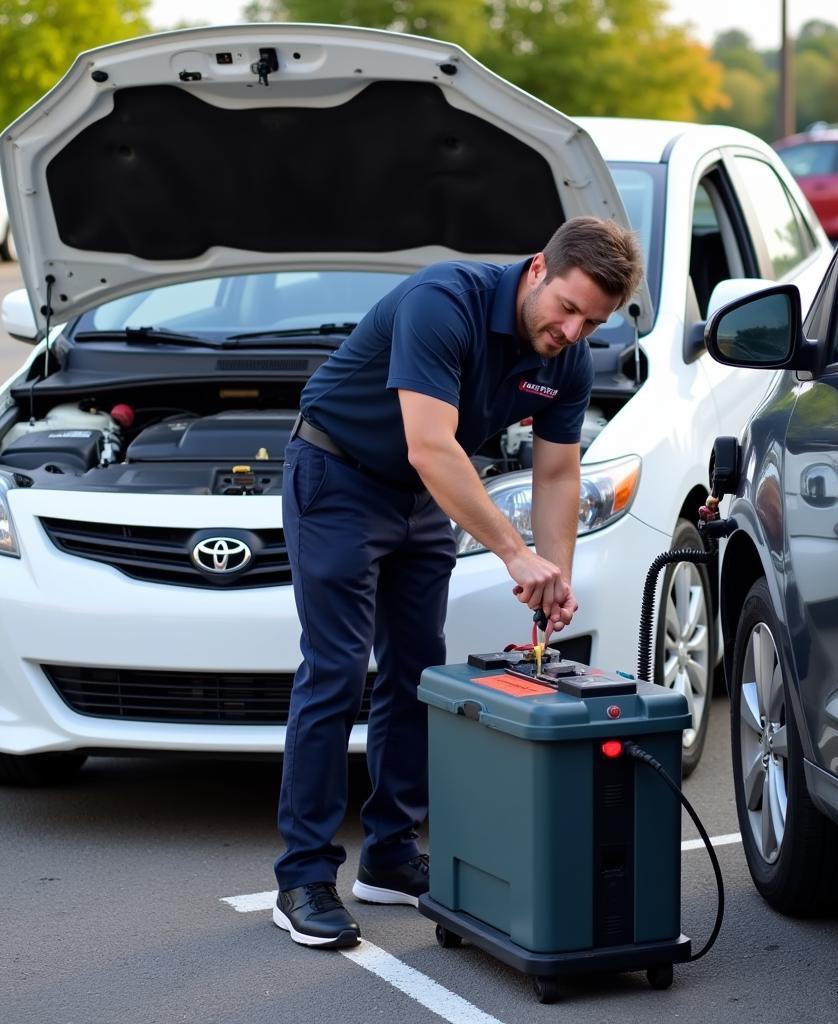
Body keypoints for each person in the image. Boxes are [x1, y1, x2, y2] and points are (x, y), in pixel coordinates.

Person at [271, 216, 644, 948]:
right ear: (538, 269)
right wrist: (514, 554)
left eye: (592, 321)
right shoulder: (445, 302)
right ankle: (304, 878)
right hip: (338, 477)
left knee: (418, 671)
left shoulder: (566, 356)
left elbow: (559, 470)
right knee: (338, 672)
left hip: (422, 498)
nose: (573, 330)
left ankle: (389, 855)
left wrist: (552, 574)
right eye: (568, 308)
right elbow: (431, 444)